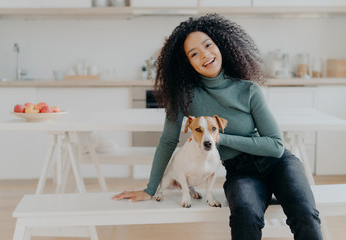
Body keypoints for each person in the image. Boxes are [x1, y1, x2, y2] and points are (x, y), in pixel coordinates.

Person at [112, 14, 323, 240]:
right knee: (245, 215)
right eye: (194, 53)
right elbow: (168, 141)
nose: (204, 54)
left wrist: (221, 138)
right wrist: (150, 188)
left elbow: (276, 146)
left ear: (220, 45)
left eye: (207, 45)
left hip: (278, 165)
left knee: (304, 214)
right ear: (187, 63)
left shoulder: (248, 90)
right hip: (239, 171)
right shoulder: (183, 97)